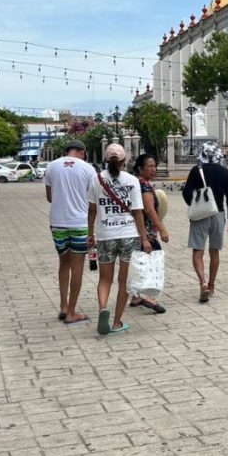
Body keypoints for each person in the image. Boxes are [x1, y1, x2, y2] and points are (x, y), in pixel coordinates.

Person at [87, 143, 150, 335]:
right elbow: (138, 212)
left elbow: (92, 210)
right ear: (124, 161)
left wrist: (90, 234)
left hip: (105, 235)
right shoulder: (132, 180)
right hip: (129, 235)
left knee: (105, 279)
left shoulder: (96, 180)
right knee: (124, 281)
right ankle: (116, 322)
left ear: (106, 160)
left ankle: (103, 308)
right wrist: (144, 238)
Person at [44, 139, 96, 325]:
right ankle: (72, 312)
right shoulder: (88, 169)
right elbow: (92, 201)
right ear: (81, 151)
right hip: (79, 223)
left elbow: (50, 197)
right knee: (77, 266)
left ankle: (63, 306)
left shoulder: (51, 166)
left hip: (57, 222)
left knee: (63, 264)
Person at [182, 141, 228, 302]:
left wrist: (196, 205)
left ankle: (202, 283)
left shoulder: (196, 171)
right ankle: (212, 286)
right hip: (218, 214)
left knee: (198, 251)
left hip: (200, 216)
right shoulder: (225, 172)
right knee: (215, 251)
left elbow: (186, 193)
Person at [131, 154, 169, 313]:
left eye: (155, 166)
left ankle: (135, 295)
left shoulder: (134, 182)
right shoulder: (144, 186)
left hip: (135, 230)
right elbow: (149, 210)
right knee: (153, 262)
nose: (154, 169)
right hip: (146, 232)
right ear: (140, 168)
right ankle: (149, 297)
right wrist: (162, 229)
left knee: (139, 262)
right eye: (150, 166)